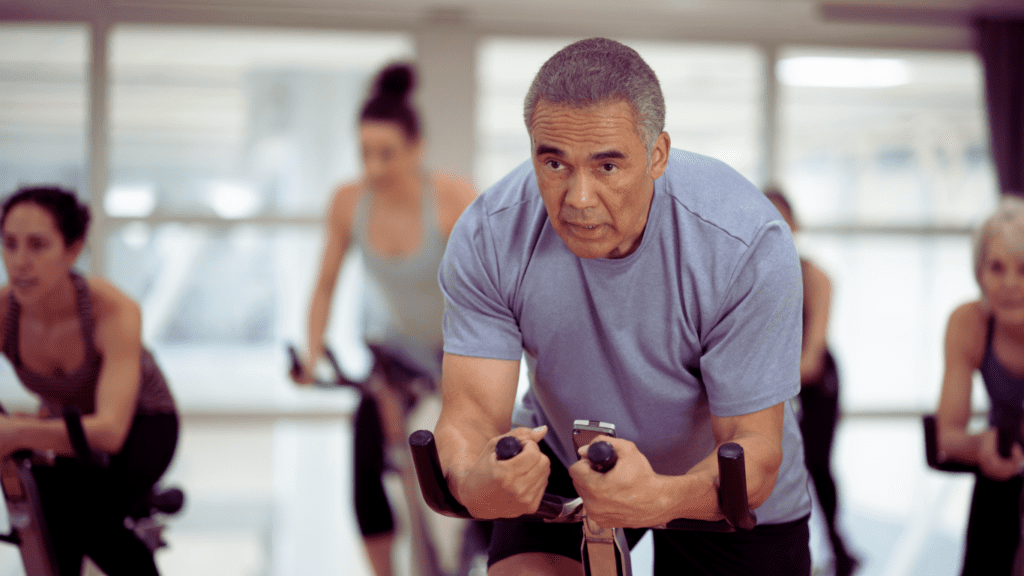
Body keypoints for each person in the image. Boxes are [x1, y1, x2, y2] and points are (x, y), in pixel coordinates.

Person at [433, 37, 812, 576]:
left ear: (657, 155)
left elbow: (753, 447)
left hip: (727, 494)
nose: (579, 198)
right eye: (554, 162)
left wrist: (658, 499)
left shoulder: (743, 243)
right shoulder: (490, 236)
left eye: (607, 166)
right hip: (567, 457)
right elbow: (470, 416)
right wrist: (478, 482)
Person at [291, 62, 477, 576]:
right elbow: (324, 286)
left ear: (416, 148)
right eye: (364, 153)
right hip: (391, 355)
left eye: (386, 153)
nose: (373, 166)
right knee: (365, 469)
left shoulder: (452, 196)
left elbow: (494, 288)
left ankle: (464, 560)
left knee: (458, 477)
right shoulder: (349, 202)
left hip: (454, 356)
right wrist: (310, 355)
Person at [0, 185, 179, 576]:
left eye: (37, 245)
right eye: (9, 244)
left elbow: (111, 431)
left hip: (143, 424)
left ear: (73, 249)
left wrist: (18, 431)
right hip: (68, 428)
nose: (19, 262)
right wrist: (20, 429)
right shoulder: (3, 312)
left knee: (92, 522)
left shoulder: (113, 310)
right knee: (47, 528)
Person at [766, 188, 860, 576]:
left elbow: (812, 357)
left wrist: (756, 381)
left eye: (782, 220)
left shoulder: (815, 277)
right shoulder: (747, 279)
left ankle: (839, 547)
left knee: (817, 465)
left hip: (816, 381)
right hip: (776, 380)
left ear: (795, 225)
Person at [935, 195, 1024, 576]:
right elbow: (948, 437)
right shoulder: (969, 323)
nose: (1009, 284)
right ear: (978, 273)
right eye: (996, 267)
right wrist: (980, 444)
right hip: (1002, 463)